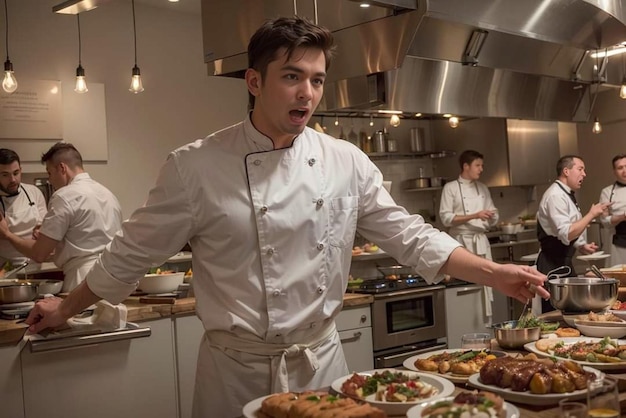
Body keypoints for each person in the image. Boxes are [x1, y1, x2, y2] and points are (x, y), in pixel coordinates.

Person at [22, 17, 548, 418]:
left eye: (317, 80)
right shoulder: (195, 166)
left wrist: (496, 273)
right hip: (235, 373)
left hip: (323, 366)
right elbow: (129, 255)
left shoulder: (345, 161)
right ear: (254, 80)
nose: (308, 93)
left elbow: (409, 236)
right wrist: (66, 307)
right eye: (292, 76)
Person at [0, 143, 122, 291]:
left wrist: (7, 234)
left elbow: (39, 254)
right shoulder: (108, 194)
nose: (50, 180)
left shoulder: (64, 197)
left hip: (83, 278)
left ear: (62, 168)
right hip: (113, 276)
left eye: (50, 173)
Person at [536, 155, 611, 311]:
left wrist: (580, 245)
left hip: (564, 262)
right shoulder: (555, 195)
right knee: (555, 314)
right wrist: (592, 214)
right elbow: (566, 233)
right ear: (566, 171)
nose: (584, 174)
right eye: (580, 169)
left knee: (571, 310)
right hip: (552, 264)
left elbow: (564, 229)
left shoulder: (566, 193)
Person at [439, 149, 499, 317]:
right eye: (477, 165)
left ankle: (483, 322)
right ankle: (463, 318)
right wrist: (475, 215)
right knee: (465, 284)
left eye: (482, 165)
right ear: (466, 166)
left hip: (480, 241)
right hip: (460, 242)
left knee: (485, 281)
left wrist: (491, 216)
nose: (481, 169)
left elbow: (493, 212)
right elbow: (446, 218)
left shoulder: (482, 188)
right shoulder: (450, 188)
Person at [0, 148, 48, 273]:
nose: (13, 180)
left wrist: (41, 229)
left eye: (16, 173)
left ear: (21, 170)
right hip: (7, 269)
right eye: (5, 175)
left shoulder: (34, 192)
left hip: (36, 266)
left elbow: (45, 224)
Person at [599, 154, 626, 266]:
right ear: (614, 171)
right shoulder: (607, 192)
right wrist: (623, 217)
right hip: (618, 244)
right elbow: (604, 221)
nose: (625, 171)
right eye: (620, 168)